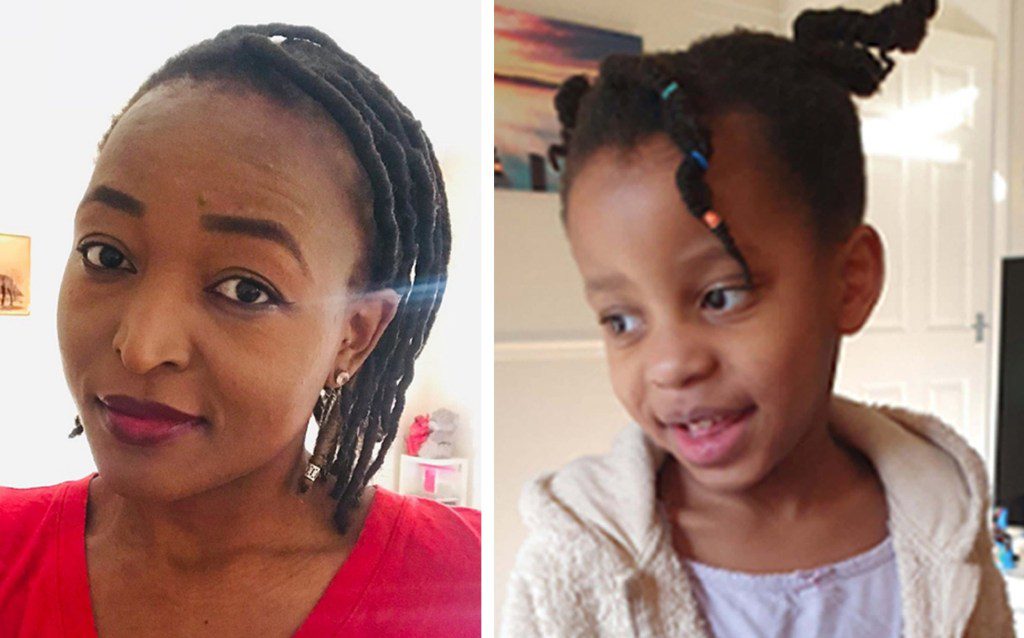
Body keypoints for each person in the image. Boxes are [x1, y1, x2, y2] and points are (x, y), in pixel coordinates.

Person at [501, 1, 1014, 636]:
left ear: (849, 281)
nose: (670, 365)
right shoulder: (575, 565)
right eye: (621, 320)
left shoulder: (947, 522)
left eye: (721, 296)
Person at [0, 24, 479, 637]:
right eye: (107, 256)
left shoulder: (471, 588)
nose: (142, 347)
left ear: (354, 335)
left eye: (245, 290)